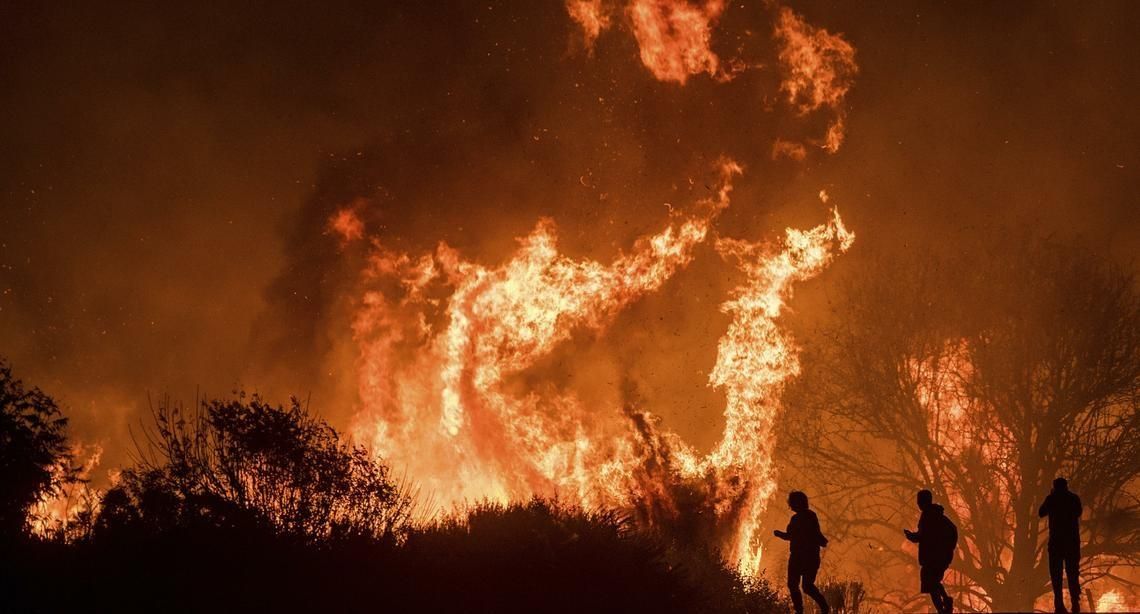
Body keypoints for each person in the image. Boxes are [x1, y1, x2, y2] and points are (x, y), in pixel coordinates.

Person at [774, 491, 830, 614]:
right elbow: (791, 536)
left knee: (802, 586)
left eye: (792, 503)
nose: (791, 506)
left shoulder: (804, 517)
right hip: (803, 557)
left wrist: (779, 534)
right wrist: (779, 534)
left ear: (798, 503)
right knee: (801, 586)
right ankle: (805, 610)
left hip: (805, 557)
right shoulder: (804, 517)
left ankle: (821, 609)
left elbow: (792, 535)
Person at [904, 489, 957, 614]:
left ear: (924, 501)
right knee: (933, 582)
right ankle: (945, 602)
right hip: (939, 557)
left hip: (933, 558)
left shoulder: (928, 516)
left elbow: (923, 535)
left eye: (919, 501)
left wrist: (911, 537)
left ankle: (942, 608)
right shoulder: (937, 515)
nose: (918, 504)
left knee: (931, 583)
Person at [1039, 477, 1083, 613]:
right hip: (1071, 542)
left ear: (1055, 486)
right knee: (1073, 573)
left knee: (1056, 575)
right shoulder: (1073, 498)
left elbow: (1041, 513)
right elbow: (1079, 513)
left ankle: (1059, 605)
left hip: (1056, 542)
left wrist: (1052, 497)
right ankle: (1075, 603)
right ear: (1066, 486)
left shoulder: (1051, 499)